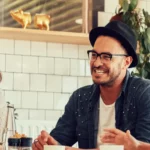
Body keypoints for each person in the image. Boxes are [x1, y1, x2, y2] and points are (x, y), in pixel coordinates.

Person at [32, 20, 150, 150]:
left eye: (106, 56)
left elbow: (141, 147)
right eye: (94, 55)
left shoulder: (144, 93)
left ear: (126, 62)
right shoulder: (80, 97)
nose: (97, 62)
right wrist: (45, 144)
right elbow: (58, 142)